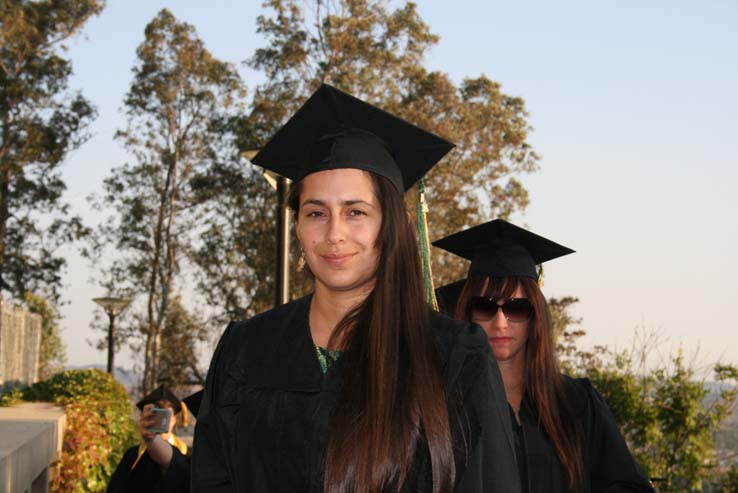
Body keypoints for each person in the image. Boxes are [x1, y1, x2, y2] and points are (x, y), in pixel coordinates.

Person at [191, 84, 521, 492]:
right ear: (297, 226)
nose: (334, 233)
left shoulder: (452, 355)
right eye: (316, 212)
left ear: (393, 224)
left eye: (356, 212)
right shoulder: (247, 348)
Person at [433, 219, 655, 493]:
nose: (501, 323)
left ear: (535, 315)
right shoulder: (445, 407)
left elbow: (629, 485)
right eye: (485, 307)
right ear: (468, 311)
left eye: (516, 308)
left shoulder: (576, 404)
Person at [108, 385, 191, 493]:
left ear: (174, 420)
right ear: (142, 417)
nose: (160, 421)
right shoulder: (132, 456)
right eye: (155, 414)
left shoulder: (190, 454)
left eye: (165, 415)